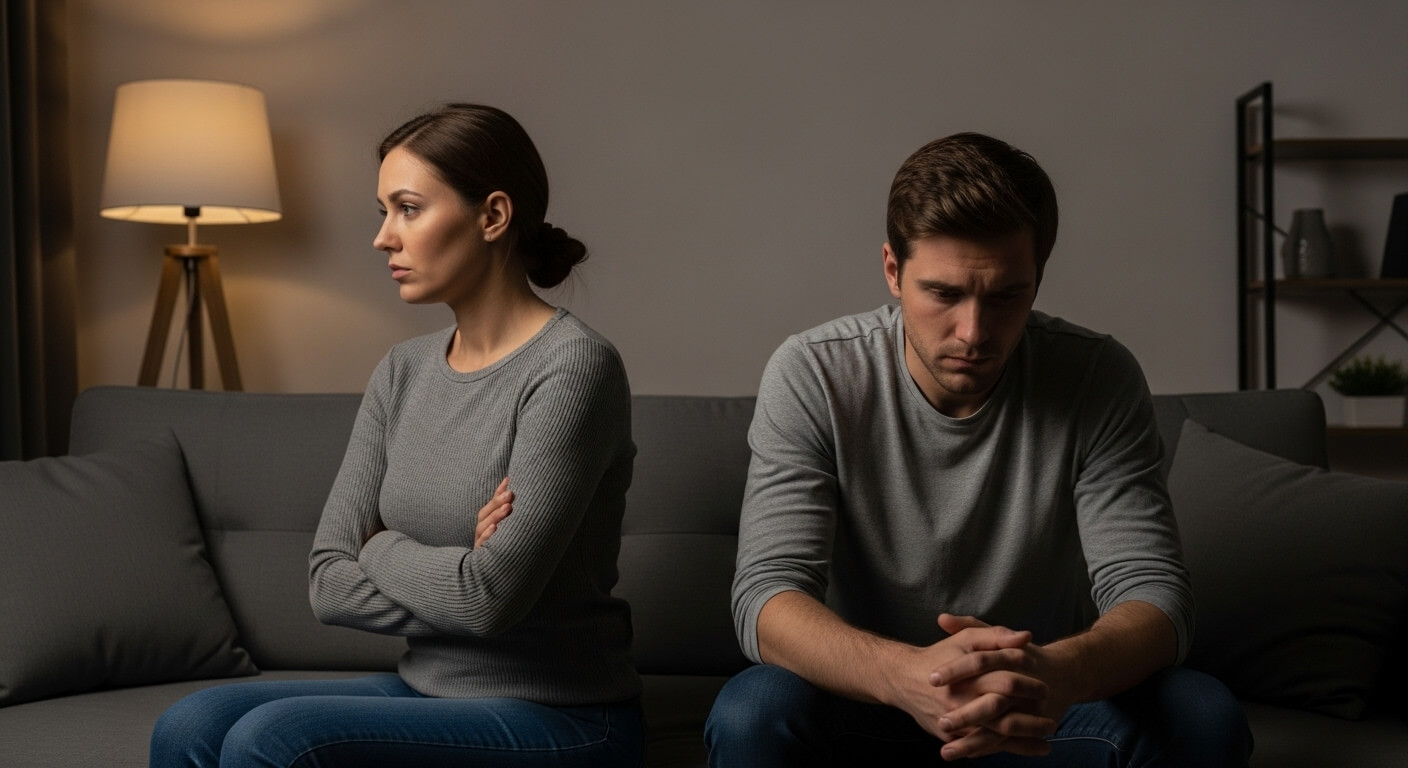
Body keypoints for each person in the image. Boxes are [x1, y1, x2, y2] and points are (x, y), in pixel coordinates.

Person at [705, 133, 1252, 766]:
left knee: (1202, 715)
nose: (973, 332)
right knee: (754, 712)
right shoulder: (814, 373)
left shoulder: (1098, 376)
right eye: (943, 293)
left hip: (1039, 707)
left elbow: (1155, 596)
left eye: (1005, 297)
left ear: (1038, 280)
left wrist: (1059, 673)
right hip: (870, 702)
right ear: (892, 270)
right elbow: (767, 597)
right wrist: (903, 675)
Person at [149, 104, 642, 768]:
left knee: (269, 742)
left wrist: (380, 548)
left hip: (563, 715)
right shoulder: (403, 371)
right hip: (427, 687)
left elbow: (487, 600)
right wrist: (457, 570)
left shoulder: (573, 367)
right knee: (190, 723)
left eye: (407, 208)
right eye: (384, 211)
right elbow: (328, 580)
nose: (384, 237)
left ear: (492, 216)